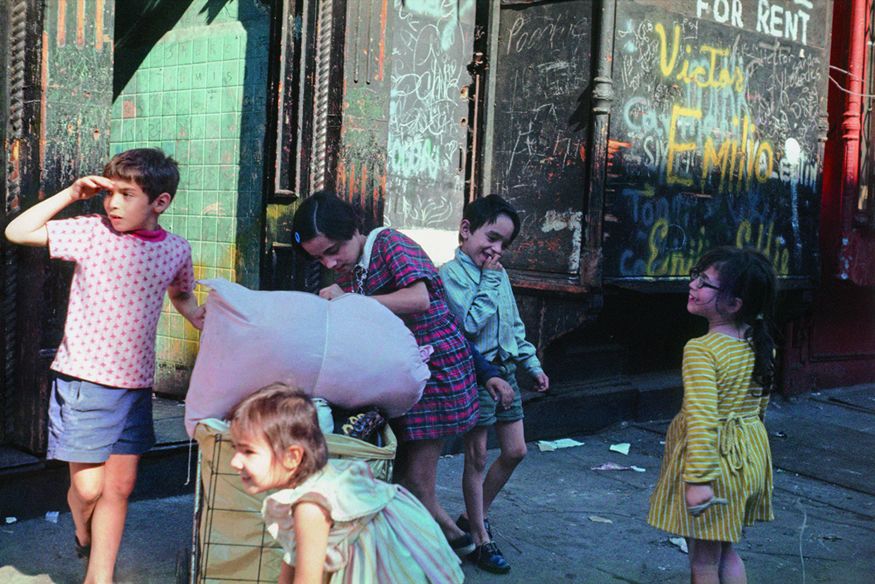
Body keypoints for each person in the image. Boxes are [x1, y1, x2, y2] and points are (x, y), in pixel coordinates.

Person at [4, 148, 204, 584]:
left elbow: (182, 294)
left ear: (160, 202)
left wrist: (208, 322)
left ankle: (100, 575)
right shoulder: (91, 234)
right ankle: (80, 520)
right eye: (109, 193)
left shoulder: (175, 250)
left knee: (120, 488)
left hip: (134, 387)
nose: (111, 203)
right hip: (85, 383)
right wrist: (71, 193)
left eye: (126, 195)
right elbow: (18, 232)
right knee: (90, 490)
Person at [291, 191, 479, 556]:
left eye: (333, 250)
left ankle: (452, 545)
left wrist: (350, 300)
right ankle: (452, 541)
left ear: (354, 230)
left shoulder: (389, 243)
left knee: (416, 482)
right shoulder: (357, 268)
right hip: (409, 376)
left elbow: (418, 299)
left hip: (435, 373)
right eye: (320, 258)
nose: (330, 262)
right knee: (407, 477)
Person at [228, 383, 465, 584]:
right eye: (235, 449)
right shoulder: (318, 479)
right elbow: (293, 558)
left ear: (292, 456)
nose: (235, 461)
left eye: (248, 451)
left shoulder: (310, 507)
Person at [647, 247, 777, 584]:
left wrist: (699, 480)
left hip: (715, 462)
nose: (693, 284)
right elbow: (759, 407)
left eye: (705, 283)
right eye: (697, 275)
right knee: (726, 549)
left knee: (703, 561)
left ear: (734, 304)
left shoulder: (701, 350)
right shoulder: (758, 343)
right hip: (747, 457)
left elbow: (703, 417)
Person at [439, 194, 549, 573]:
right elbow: (468, 325)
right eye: (491, 237)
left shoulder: (499, 275)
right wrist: (486, 278)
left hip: (507, 372)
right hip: (476, 374)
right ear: (466, 230)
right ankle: (481, 539)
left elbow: (514, 326)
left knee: (516, 450)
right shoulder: (449, 275)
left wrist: (531, 365)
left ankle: (474, 516)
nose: (496, 249)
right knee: (477, 456)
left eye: (504, 243)